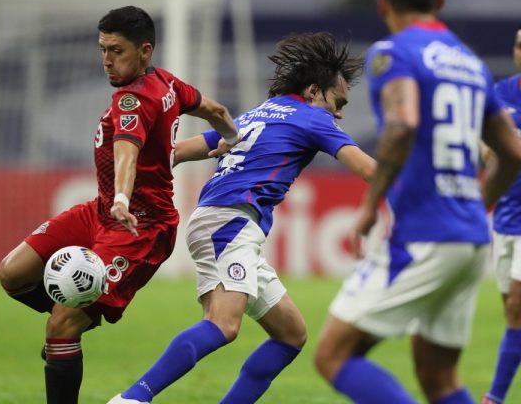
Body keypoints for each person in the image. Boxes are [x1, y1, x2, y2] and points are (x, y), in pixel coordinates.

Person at [108, 32, 376, 404]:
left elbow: (180, 151)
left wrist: (122, 164)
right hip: (229, 224)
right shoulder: (314, 118)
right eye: (339, 101)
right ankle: (133, 399)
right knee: (223, 323)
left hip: (223, 222)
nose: (340, 113)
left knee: (291, 334)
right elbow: (368, 170)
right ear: (315, 91)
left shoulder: (256, 114)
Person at [0, 5, 239, 404]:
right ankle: (68, 337)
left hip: (139, 227)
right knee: (12, 273)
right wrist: (232, 136)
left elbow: (126, 150)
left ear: (145, 51)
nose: (107, 60)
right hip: (101, 210)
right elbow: (215, 111)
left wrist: (123, 197)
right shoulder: (168, 84)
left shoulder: (133, 101)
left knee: (61, 324)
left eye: (117, 51)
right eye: (103, 49)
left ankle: (65, 334)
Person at [313, 0, 521, 403]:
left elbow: (403, 121)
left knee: (333, 355)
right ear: (440, 0)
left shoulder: (393, 52)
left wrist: (370, 206)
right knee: (437, 374)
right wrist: (477, 204)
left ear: (383, 5)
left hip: (424, 233)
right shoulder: (471, 63)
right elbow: (513, 154)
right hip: (470, 237)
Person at [484, 28, 521, 404]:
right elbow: (483, 141)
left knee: (516, 308)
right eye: (519, 45)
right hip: (506, 217)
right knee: (512, 312)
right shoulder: (501, 93)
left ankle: (494, 397)